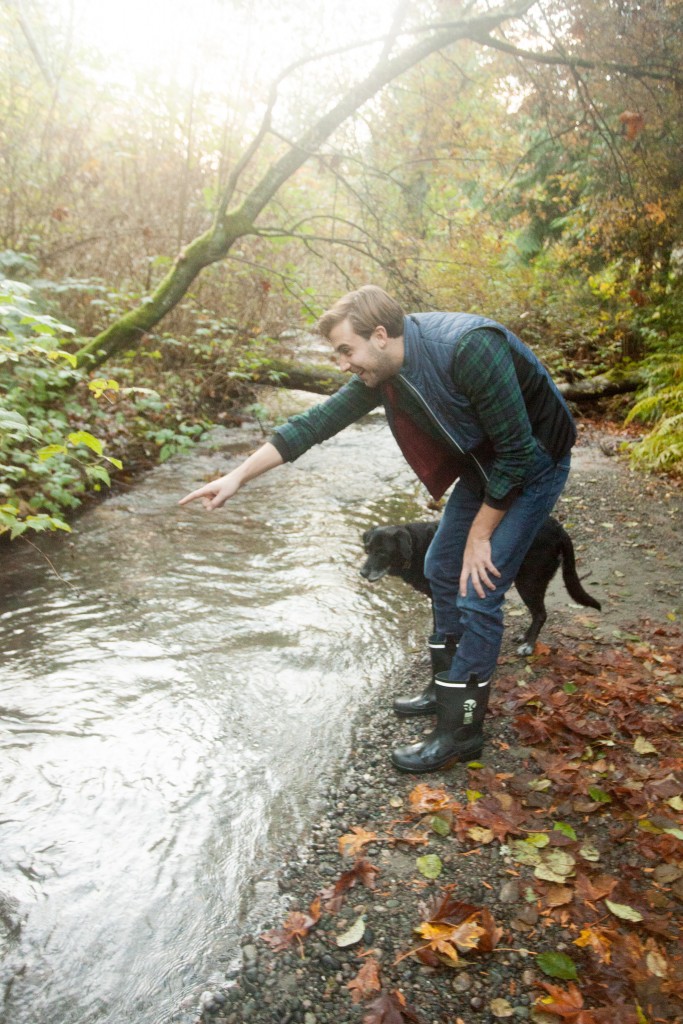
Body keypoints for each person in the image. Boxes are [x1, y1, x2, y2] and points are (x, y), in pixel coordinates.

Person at [179, 285, 575, 774]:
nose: (343, 364)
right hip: (485, 464)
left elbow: (519, 454)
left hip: (534, 464)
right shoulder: (386, 369)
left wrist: (479, 537)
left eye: (346, 350)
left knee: (478, 587)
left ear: (381, 336)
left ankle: (462, 731)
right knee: (439, 566)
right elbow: (315, 422)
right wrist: (237, 476)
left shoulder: (470, 349)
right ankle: (444, 686)